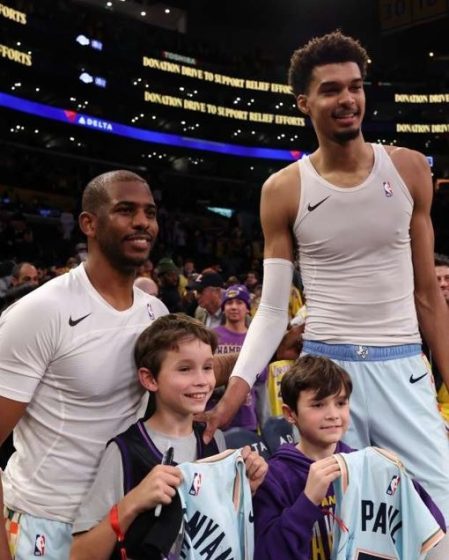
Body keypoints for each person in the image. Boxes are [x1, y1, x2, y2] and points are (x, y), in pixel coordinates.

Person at [201, 30, 449, 545]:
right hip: (325, 377)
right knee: (341, 532)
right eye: (332, 89)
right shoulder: (283, 189)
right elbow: (271, 311)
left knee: (440, 515)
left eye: (355, 87)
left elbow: (428, 295)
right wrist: (234, 395)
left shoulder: (407, 168)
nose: (347, 100)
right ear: (304, 103)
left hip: (403, 367)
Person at [0, 170, 169, 558]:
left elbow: (190, 377)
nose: (143, 222)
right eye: (126, 210)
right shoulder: (41, 312)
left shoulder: (155, 313)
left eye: (150, 212)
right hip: (44, 521)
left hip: (122, 515)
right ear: (88, 224)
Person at [71, 314, 267, 560]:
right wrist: (132, 503)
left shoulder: (213, 439)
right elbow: (79, 554)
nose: (201, 381)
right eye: (185, 369)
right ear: (150, 379)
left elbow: (217, 528)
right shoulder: (125, 451)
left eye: (207, 368)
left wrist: (246, 489)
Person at [253, 355, 445, 560]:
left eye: (341, 403)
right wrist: (307, 502)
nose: (333, 414)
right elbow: (267, 553)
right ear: (290, 414)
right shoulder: (274, 477)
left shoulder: (367, 466)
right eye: (318, 405)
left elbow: (433, 525)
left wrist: (396, 476)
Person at [210, 284, 267, 431]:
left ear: (248, 308)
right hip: (214, 417)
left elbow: (261, 385)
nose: (234, 307)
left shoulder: (256, 339)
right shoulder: (212, 336)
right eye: (229, 303)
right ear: (223, 308)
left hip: (246, 418)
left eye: (239, 302)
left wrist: (263, 421)